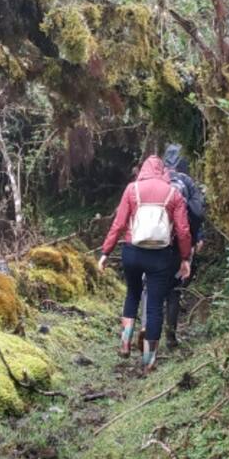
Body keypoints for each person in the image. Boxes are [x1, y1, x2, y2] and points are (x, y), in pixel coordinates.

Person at [97, 155, 192, 372]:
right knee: (155, 305)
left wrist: (106, 252)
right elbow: (183, 231)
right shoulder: (174, 193)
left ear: (143, 170)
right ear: (162, 171)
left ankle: (124, 343)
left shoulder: (132, 190)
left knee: (132, 293)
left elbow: (119, 223)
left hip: (132, 252)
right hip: (160, 256)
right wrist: (185, 258)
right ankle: (149, 361)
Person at [162, 143, 207, 350]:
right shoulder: (186, 181)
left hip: (150, 242)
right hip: (179, 243)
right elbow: (197, 212)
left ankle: (146, 330)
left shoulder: (154, 180)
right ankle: (170, 337)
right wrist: (198, 236)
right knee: (174, 290)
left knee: (150, 288)